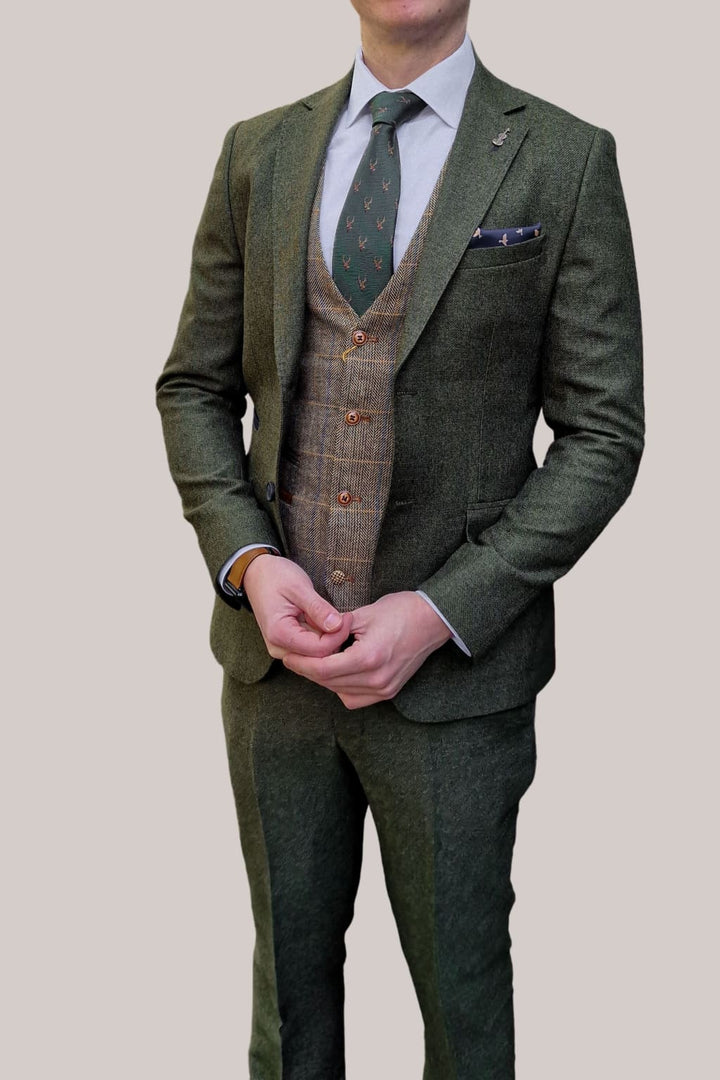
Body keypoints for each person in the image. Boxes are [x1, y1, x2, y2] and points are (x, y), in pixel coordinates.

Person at [155, 0, 644, 1075]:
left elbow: (604, 433)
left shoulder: (564, 159)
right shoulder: (257, 152)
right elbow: (195, 386)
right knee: (288, 1007)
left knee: (464, 1012)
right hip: (275, 680)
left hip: (459, 689)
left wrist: (439, 611)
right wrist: (248, 561)